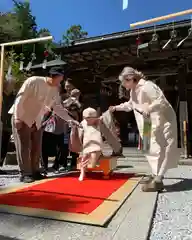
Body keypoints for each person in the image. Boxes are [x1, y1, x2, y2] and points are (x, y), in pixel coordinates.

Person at [109, 66, 179, 192]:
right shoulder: (133, 91)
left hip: (162, 120)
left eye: (124, 82)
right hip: (147, 123)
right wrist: (116, 108)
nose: (123, 86)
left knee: (163, 147)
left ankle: (159, 178)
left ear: (131, 79)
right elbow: (130, 105)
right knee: (148, 148)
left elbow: (161, 101)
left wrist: (149, 108)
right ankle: (154, 174)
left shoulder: (147, 86)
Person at [10, 67, 78, 183]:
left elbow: (57, 107)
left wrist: (69, 119)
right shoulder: (33, 81)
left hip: (38, 119)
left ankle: (35, 171)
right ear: (55, 76)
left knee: (37, 146)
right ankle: (25, 173)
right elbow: (20, 98)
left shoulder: (55, 89)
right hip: (23, 116)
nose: (60, 81)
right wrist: (17, 117)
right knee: (24, 146)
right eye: (60, 78)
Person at [78, 107, 103, 181]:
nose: (86, 119)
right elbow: (79, 134)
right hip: (86, 144)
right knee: (84, 157)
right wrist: (79, 145)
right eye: (85, 117)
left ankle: (84, 168)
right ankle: (82, 173)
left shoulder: (98, 121)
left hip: (96, 145)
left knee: (93, 161)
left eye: (88, 117)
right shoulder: (83, 123)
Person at [0, 77, 16, 173]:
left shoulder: (14, 97)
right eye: (11, 84)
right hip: (1, 124)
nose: (12, 86)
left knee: (4, 146)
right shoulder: (1, 95)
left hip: (8, 126)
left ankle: (0, 164)